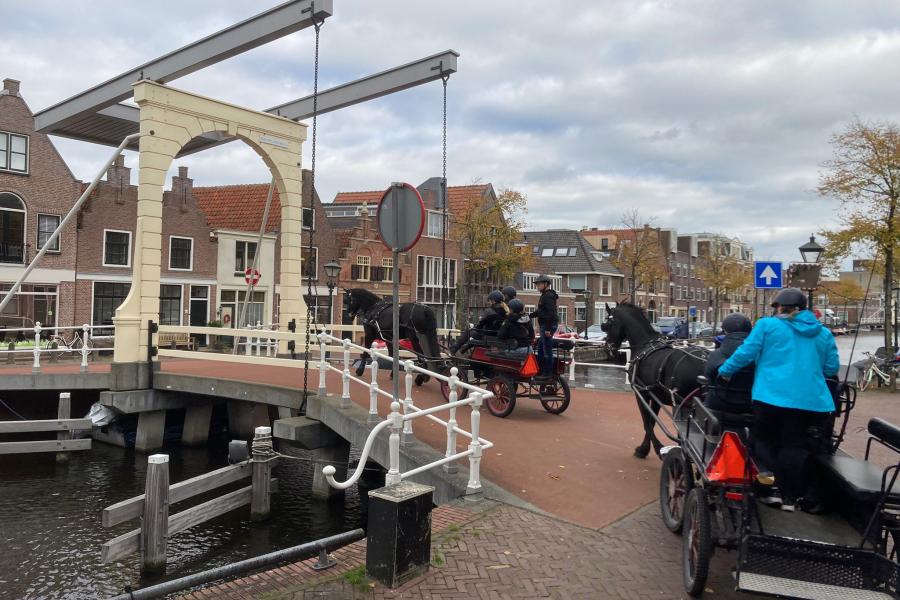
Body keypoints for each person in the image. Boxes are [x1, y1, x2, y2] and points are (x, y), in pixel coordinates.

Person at [717, 288, 840, 512]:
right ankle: (793, 496)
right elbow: (831, 368)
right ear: (804, 309)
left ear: (780, 308)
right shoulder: (823, 333)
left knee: (762, 440)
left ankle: (772, 488)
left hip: (771, 396)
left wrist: (725, 371)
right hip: (811, 401)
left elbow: (746, 353)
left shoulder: (767, 325)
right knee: (794, 445)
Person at [704, 313, 754, 414]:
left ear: (725, 331)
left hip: (719, 406)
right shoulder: (760, 355)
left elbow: (708, 379)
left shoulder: (715, 355)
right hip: (751, 407)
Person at [529, 274, 559, 379]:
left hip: (547, 325)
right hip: (546, 325)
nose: (537, 286)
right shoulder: (545, 295)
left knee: (547, 350)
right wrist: (529, 316)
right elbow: (541, 311)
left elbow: (550, 313)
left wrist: (548, 329)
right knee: (541, 348)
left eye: (539, 284)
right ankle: (541, 371)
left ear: (545, 284)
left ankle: (547, 374)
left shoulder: (548, 296)